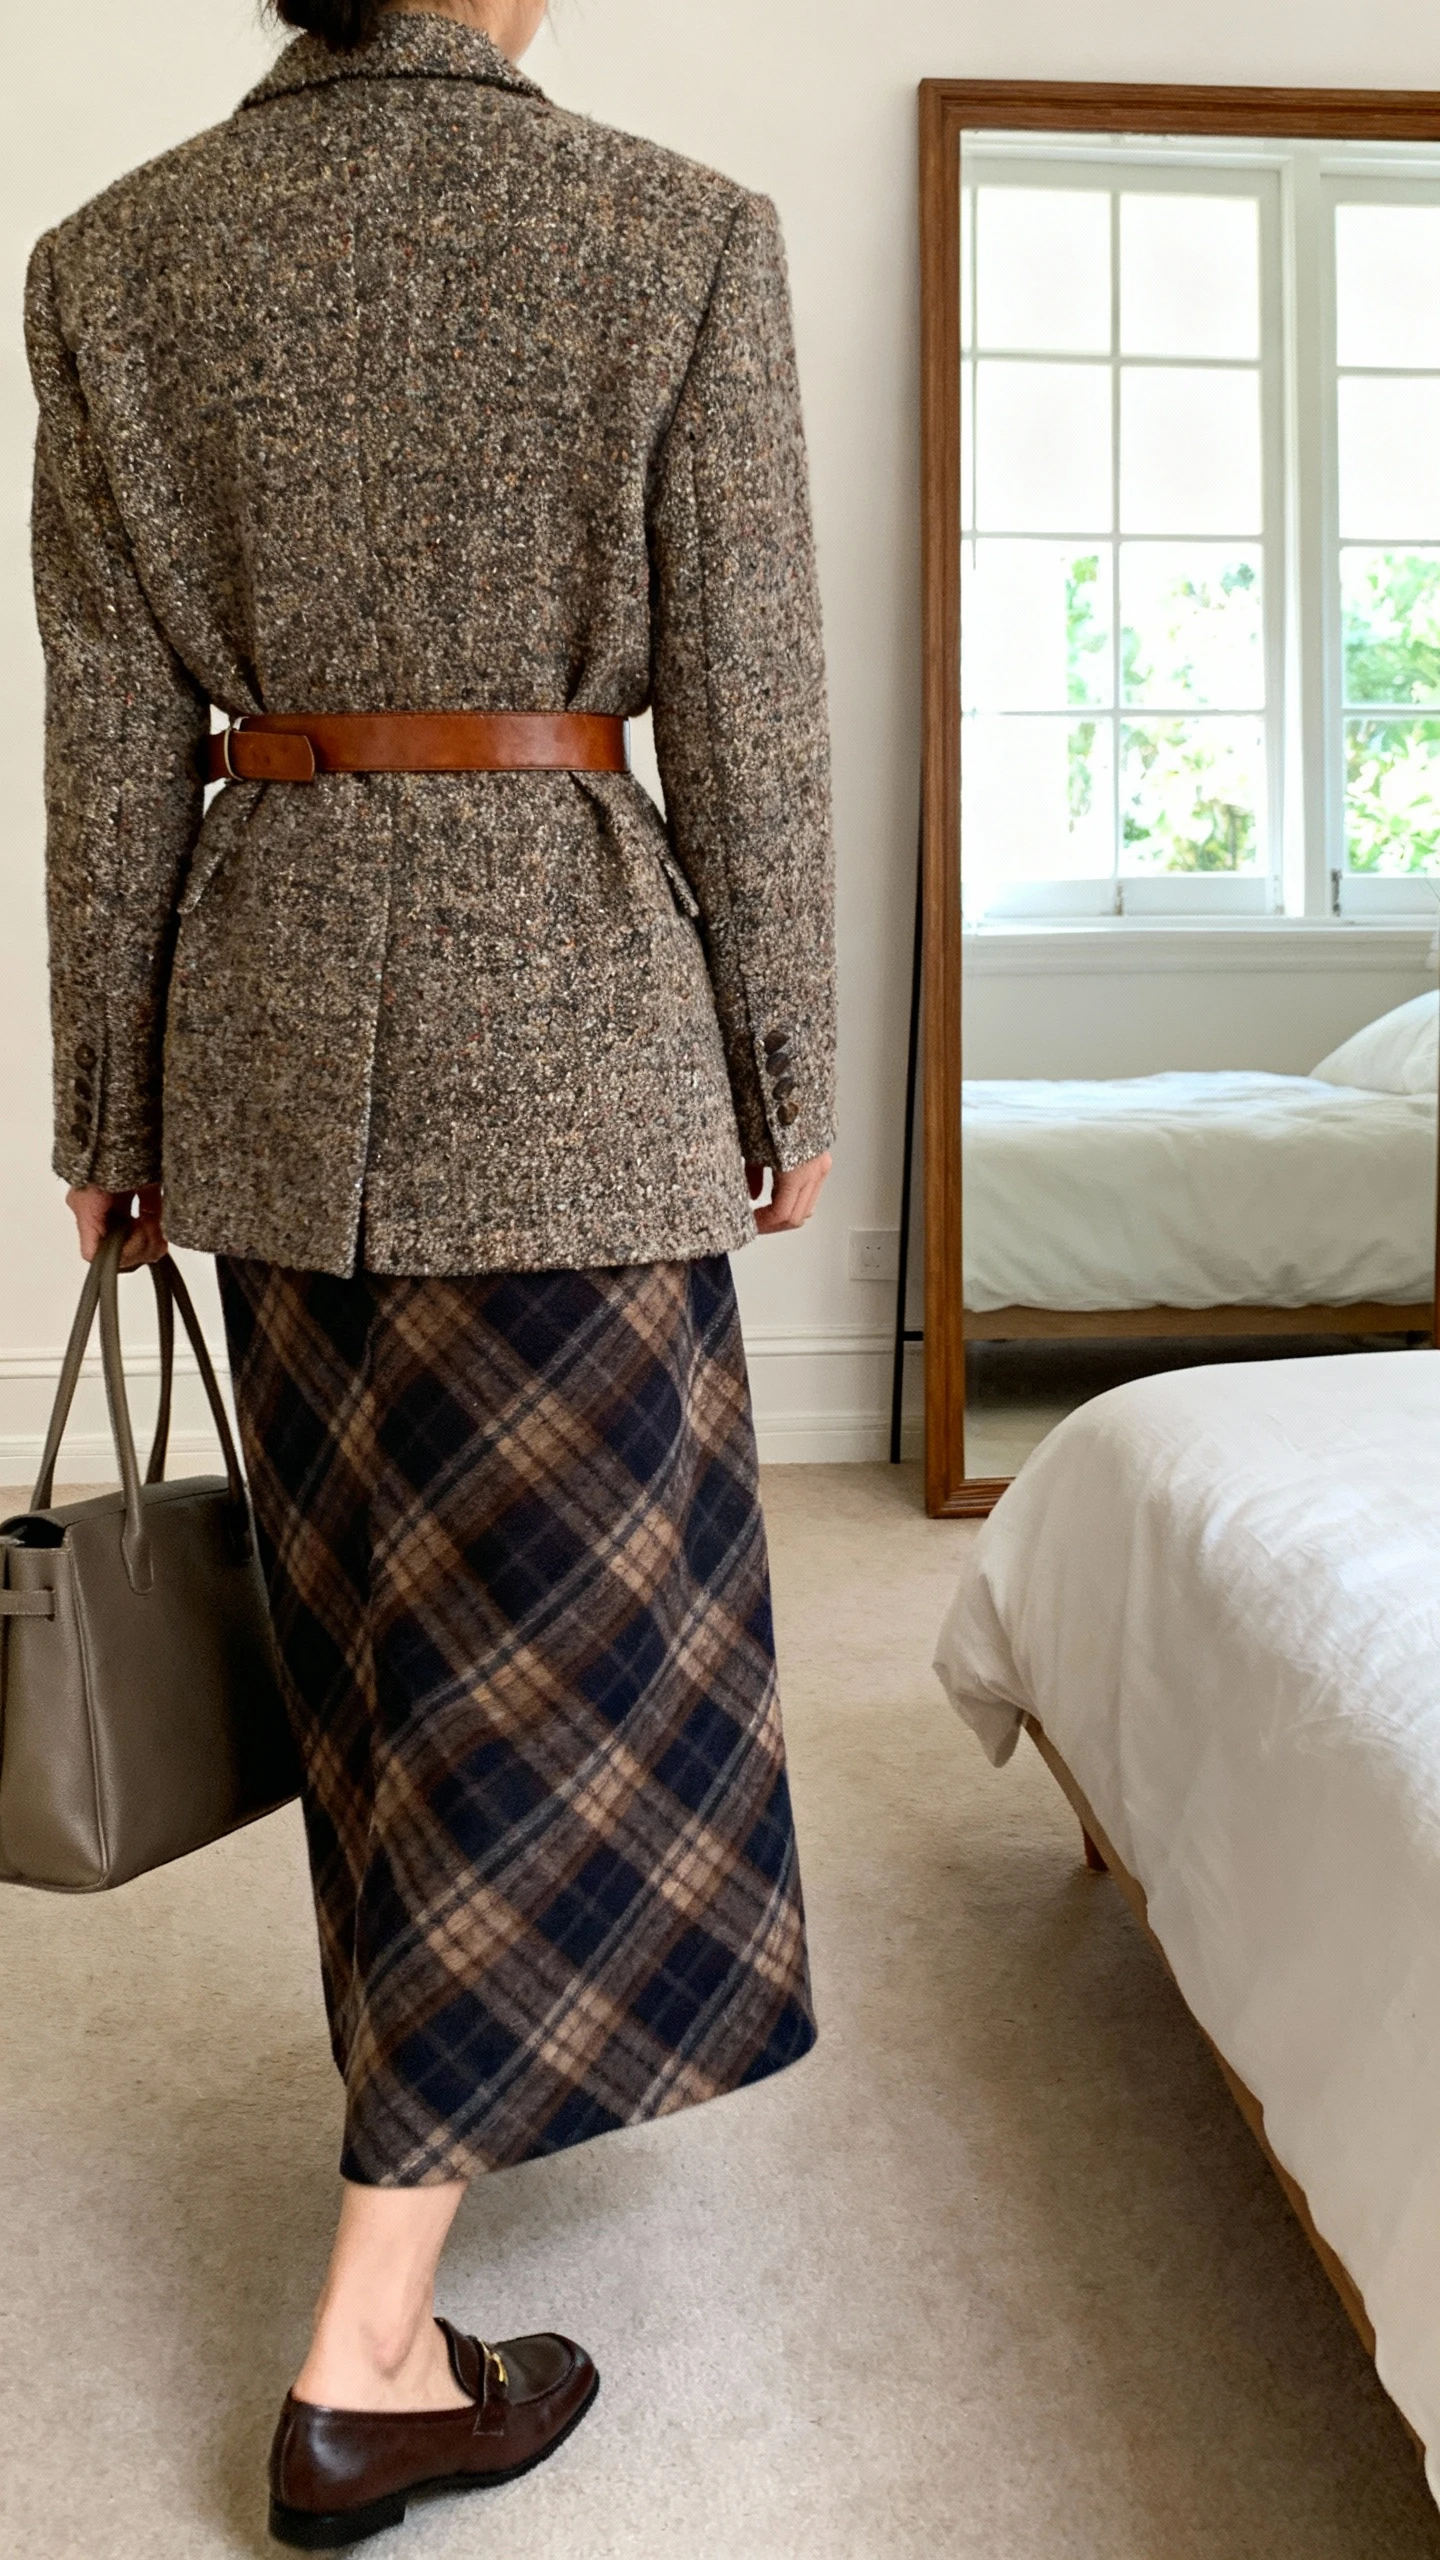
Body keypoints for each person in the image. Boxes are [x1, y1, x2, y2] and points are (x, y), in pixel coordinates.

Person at [27, 0, 836, 2546]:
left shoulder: (116, 259)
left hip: (271, 1044)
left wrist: (112, 1102)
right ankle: (371, 2347)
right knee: (566, 1663)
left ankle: (407, 2170)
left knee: (385, 1650)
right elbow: (758, 712)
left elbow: (102, 737)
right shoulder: (679, 236)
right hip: (578, 1040)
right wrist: (786, 1066)